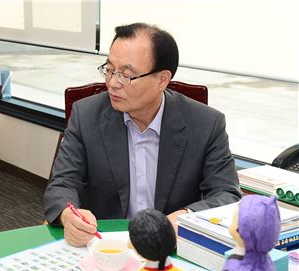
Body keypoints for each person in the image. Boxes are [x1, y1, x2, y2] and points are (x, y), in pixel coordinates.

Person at [43, 23, 241, 246]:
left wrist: (186, 216)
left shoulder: (205, 124)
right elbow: (62, 183)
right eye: (109, 70)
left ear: (162, 80)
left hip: (170, 248)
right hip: (105, 245)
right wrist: (70, 216)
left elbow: (227, 195)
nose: (113, 83)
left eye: (126, 75)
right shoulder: (86, 115)